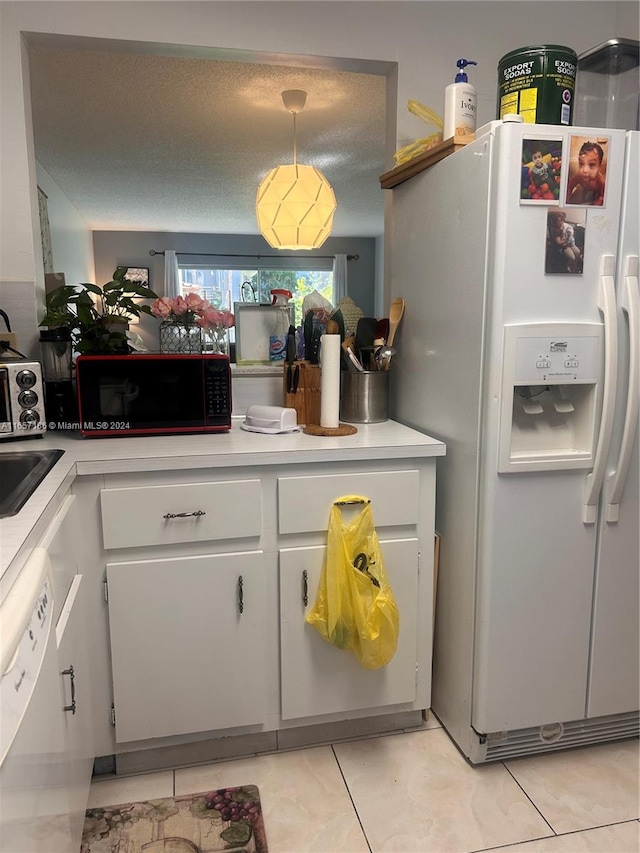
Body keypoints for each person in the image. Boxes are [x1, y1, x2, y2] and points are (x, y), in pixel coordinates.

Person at [566, 141, 606, 206]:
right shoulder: (579, 176)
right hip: (585, 188)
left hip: (597, 190)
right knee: (584, 194)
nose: (585, 170)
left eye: (591, 165)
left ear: (600, 167)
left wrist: (600, 198)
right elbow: (570, 186)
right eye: (581, 164)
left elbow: (603, 194)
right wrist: (567, 197)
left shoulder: (601, 181)